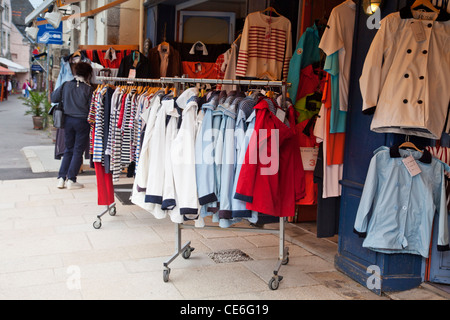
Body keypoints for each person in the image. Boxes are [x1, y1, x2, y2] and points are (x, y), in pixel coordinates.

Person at [51, 62, 94, 189]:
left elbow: (53, 98)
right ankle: (71, 179)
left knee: (68, 150)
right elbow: (92, 108)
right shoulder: (89, 89)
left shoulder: (66, 85)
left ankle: (61, 178)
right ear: (88, 74)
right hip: (82, 122)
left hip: (68, 121)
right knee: (77, 151)